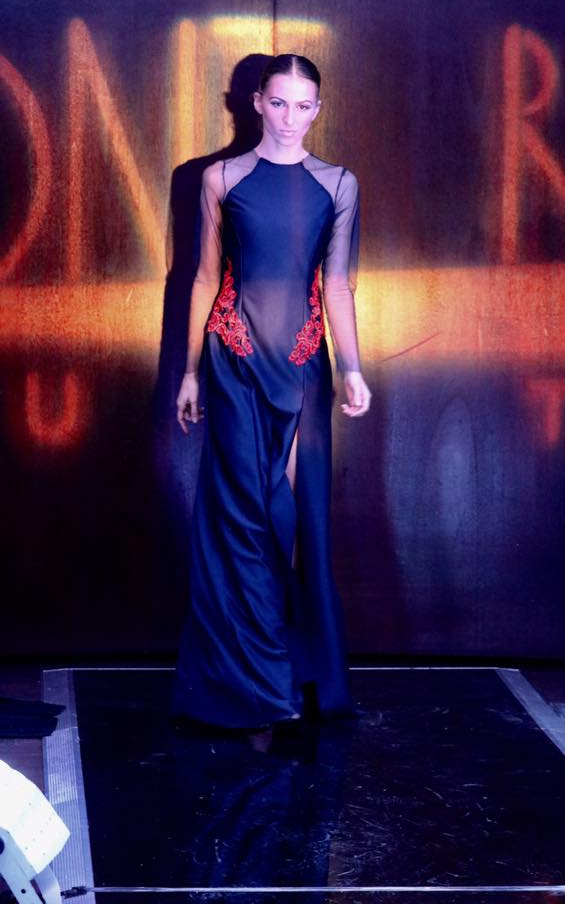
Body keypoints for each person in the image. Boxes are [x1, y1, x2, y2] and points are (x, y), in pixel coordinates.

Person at [171, 53, 371, 731]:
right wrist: (191, 371)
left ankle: (289, 671)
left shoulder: (338, 184)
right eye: (279, 102)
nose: (290, 118)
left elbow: (337, 283)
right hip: (233, 359)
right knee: (241, 518)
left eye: (303, 105)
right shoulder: (221, 178)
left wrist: (352, 368)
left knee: (291, 518)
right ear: (256, 102)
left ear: (318, 110)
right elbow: (203, 278)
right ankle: (255, 683)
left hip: (304, 367)